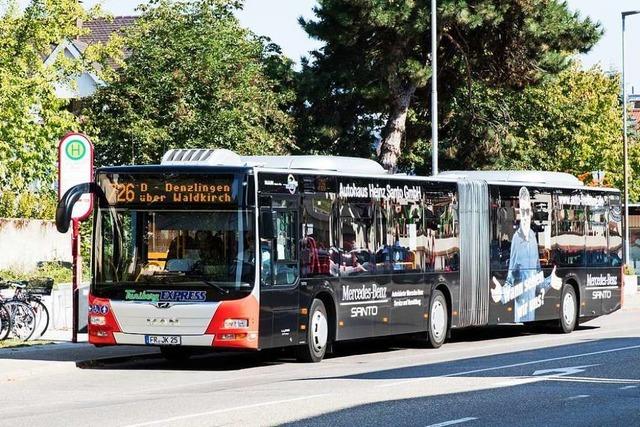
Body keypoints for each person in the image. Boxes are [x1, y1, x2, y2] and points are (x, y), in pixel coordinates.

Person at [490, 186, 562, 322]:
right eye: (522, 212)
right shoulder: (516, 240)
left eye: (527, 211)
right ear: (519, 215)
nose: (524, 216)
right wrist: (502, 294)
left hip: (532, 306)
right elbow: (511, 278)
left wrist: (549, 282)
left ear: (530, 214)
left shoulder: (533, 236)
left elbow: (537, 277)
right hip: (521, 306)